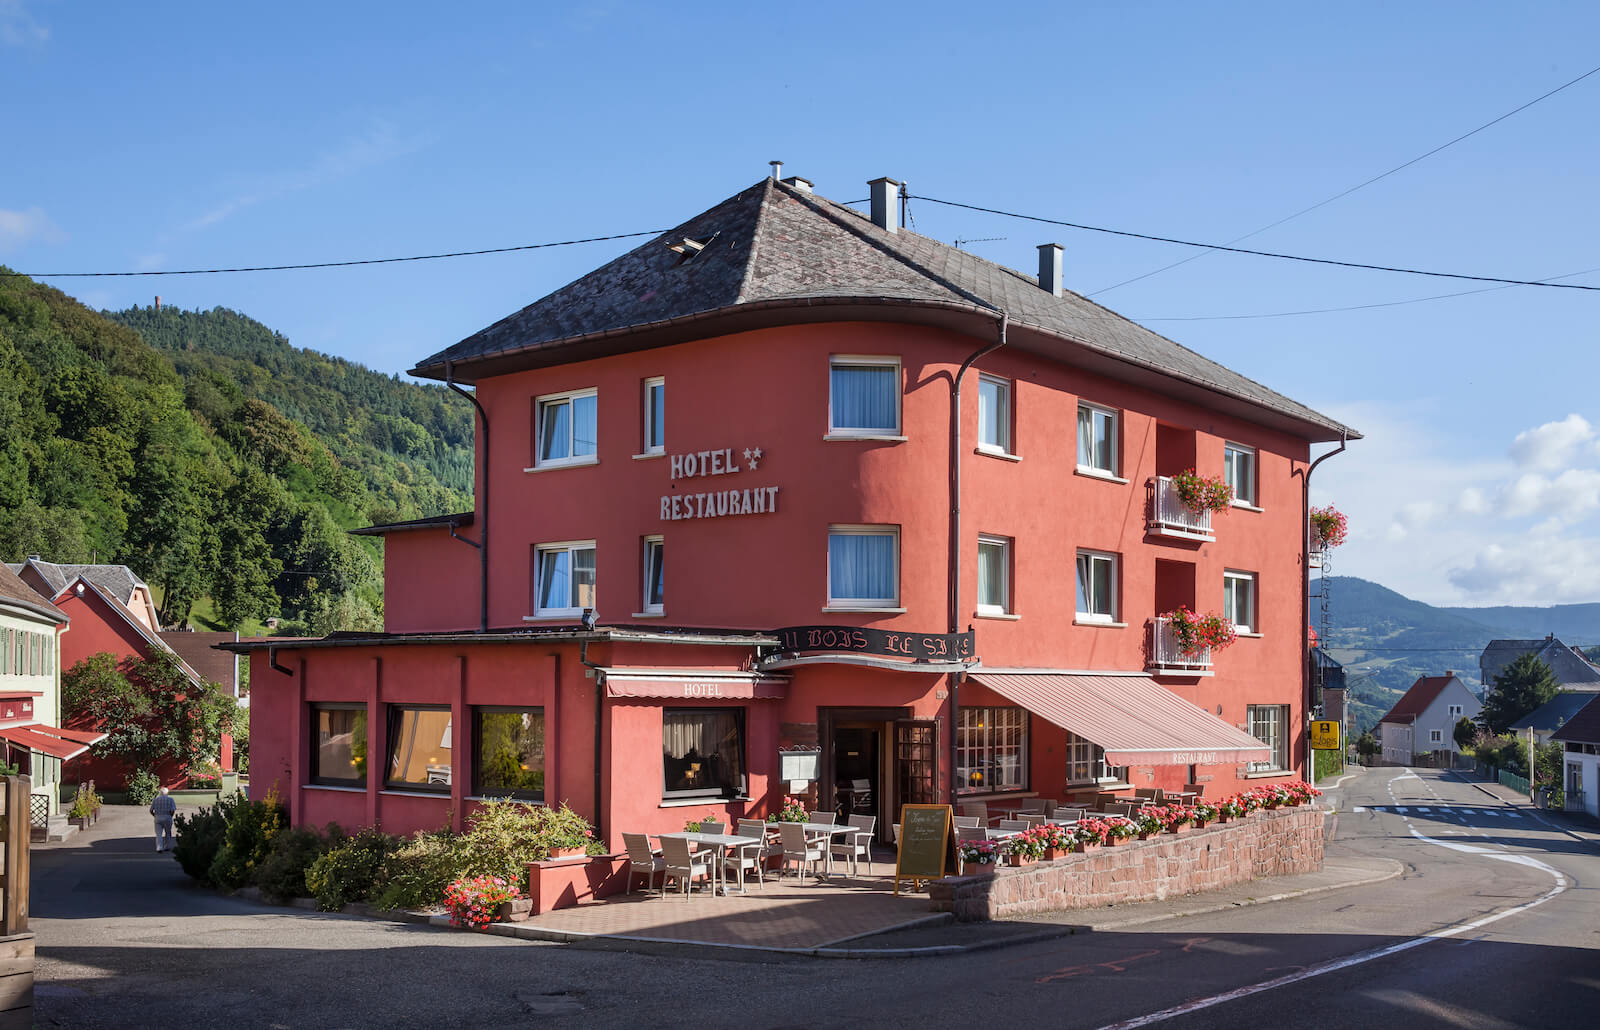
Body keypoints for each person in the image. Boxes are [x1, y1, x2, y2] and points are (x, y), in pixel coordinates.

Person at [150, 786, 177, 852]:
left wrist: (155, 816)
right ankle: (167, 846)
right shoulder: (170, 799)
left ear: (160, 792)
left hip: (158, 817)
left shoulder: (155, 799)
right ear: (167, 793)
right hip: (167, 816)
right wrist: (171, 816)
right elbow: (173, 810)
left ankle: (159, 847)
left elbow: (151, 810)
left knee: (158, 834)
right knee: (168, 832)